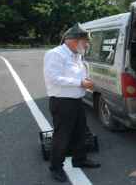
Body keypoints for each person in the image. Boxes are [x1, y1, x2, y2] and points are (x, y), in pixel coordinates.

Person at [44, 23, 100, 183]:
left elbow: (78, 75)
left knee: (80, 132)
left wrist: (85, 81)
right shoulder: (55, 54)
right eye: (85, 41)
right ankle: (56, 167)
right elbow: (53, 78)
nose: (87, 45)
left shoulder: (76, 55)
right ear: (73, 40)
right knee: (62, 137)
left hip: (76, 101)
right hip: (62, 103)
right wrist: (80, 82)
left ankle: (79, 159)